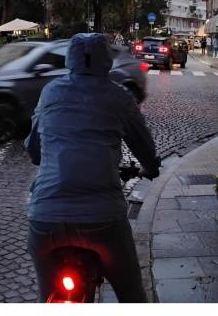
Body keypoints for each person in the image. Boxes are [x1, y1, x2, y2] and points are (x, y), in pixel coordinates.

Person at [25, 33, 161, 303]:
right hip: (103, 220)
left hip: (46, 217)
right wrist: (150, 168)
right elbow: (145, 149)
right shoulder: (120, 97)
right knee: (132, 295)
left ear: (70, 59)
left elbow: (34, 150)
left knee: (46, 295)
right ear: (107, 61)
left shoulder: (50, 92)